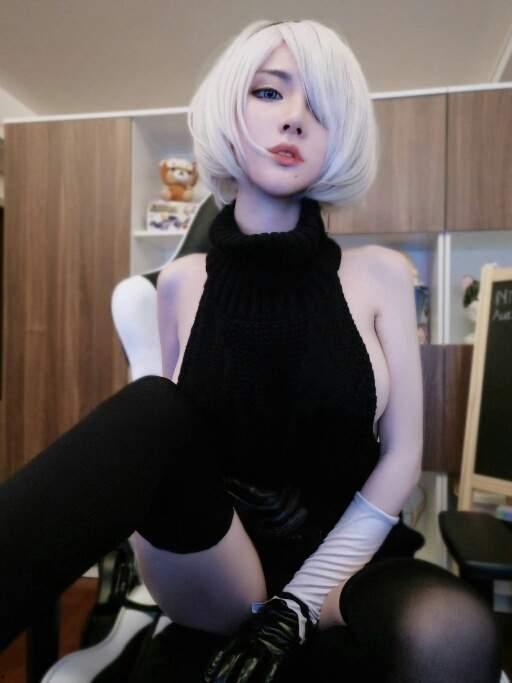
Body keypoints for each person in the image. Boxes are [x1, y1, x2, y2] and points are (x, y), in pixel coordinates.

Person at [0, 19, 502, 683]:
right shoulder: (179, 283)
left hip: (347, 565)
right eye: (269, 92)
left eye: (320, 106)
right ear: (229, 111)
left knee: (453, 630)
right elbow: (166, 460)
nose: (294, 117)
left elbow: (403, 455)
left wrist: (297, 603)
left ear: (340, 135)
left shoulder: (383, 275)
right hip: (219, 563)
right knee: (153, 408)